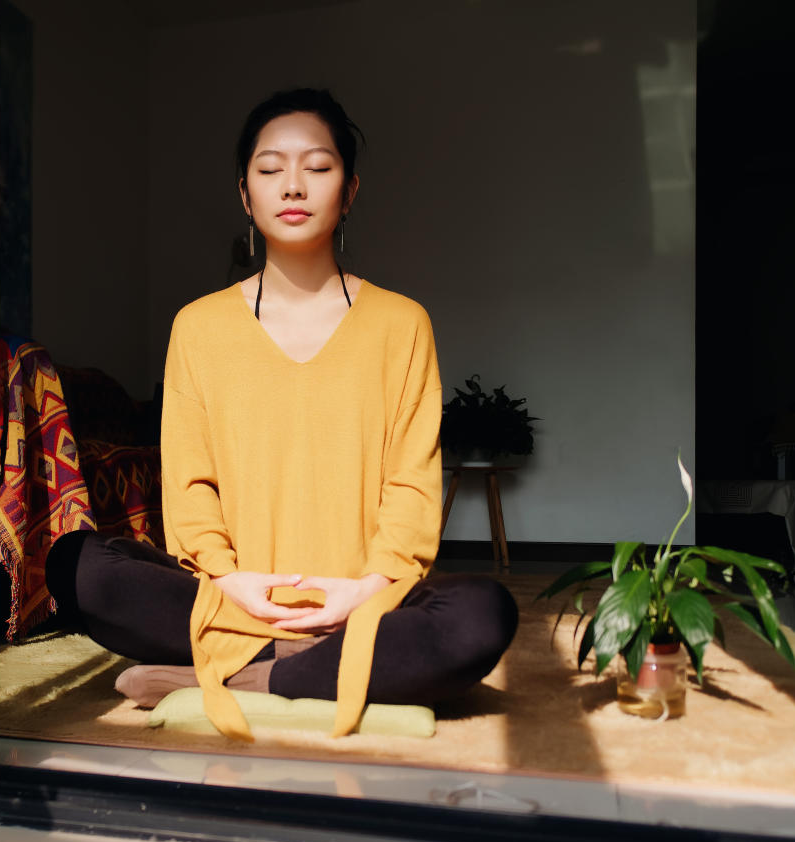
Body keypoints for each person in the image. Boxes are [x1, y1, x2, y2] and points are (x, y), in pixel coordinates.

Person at [46, 88, 517, 740]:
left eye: (317, 167)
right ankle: (299, 663)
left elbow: (412, 485)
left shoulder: (402, 323)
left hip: (363, 605)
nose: (293, 185)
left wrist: (365, 588)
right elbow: (188, 487)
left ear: (349, 190)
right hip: (234, 598)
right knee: (78, 567)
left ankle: (250, 675)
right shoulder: (199, 326)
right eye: (270, 169)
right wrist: (232, 580)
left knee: (481, 614)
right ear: (246, 193)